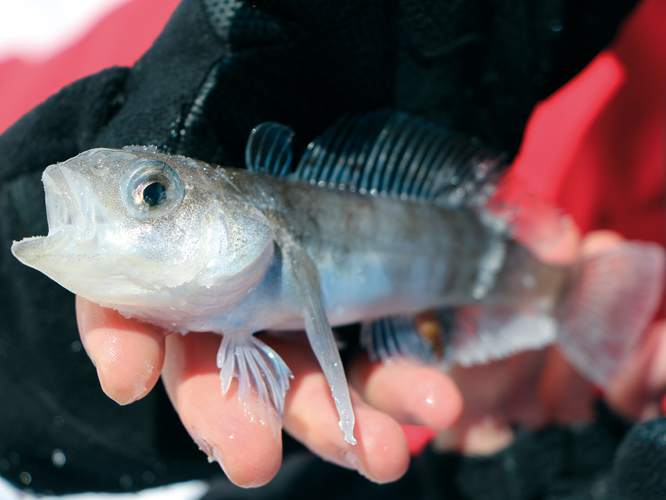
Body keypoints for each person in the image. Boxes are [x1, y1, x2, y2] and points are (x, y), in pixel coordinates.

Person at [0, 0, 664, 497]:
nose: (145, 203)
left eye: (152, 195)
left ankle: (567, 294)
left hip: (493, 378)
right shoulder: (226, 51)